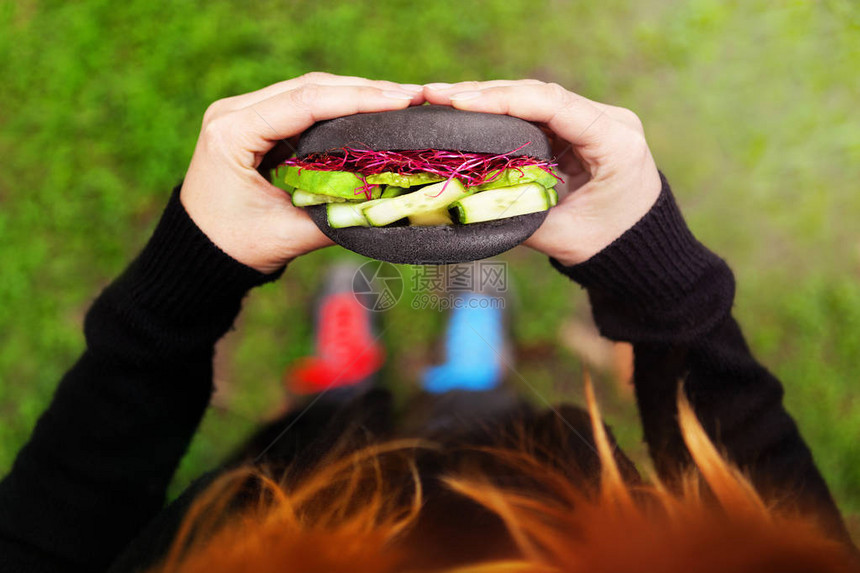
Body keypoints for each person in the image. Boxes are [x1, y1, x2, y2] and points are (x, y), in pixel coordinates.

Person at [0, 73, 855, 572]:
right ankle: (468, 384)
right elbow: (774, 518)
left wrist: (180, 289)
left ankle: (347, 387)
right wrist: (666, 292)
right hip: (562, 489)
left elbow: (43, 541)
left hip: (256, 513)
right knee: (495, 424)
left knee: (311, 439)